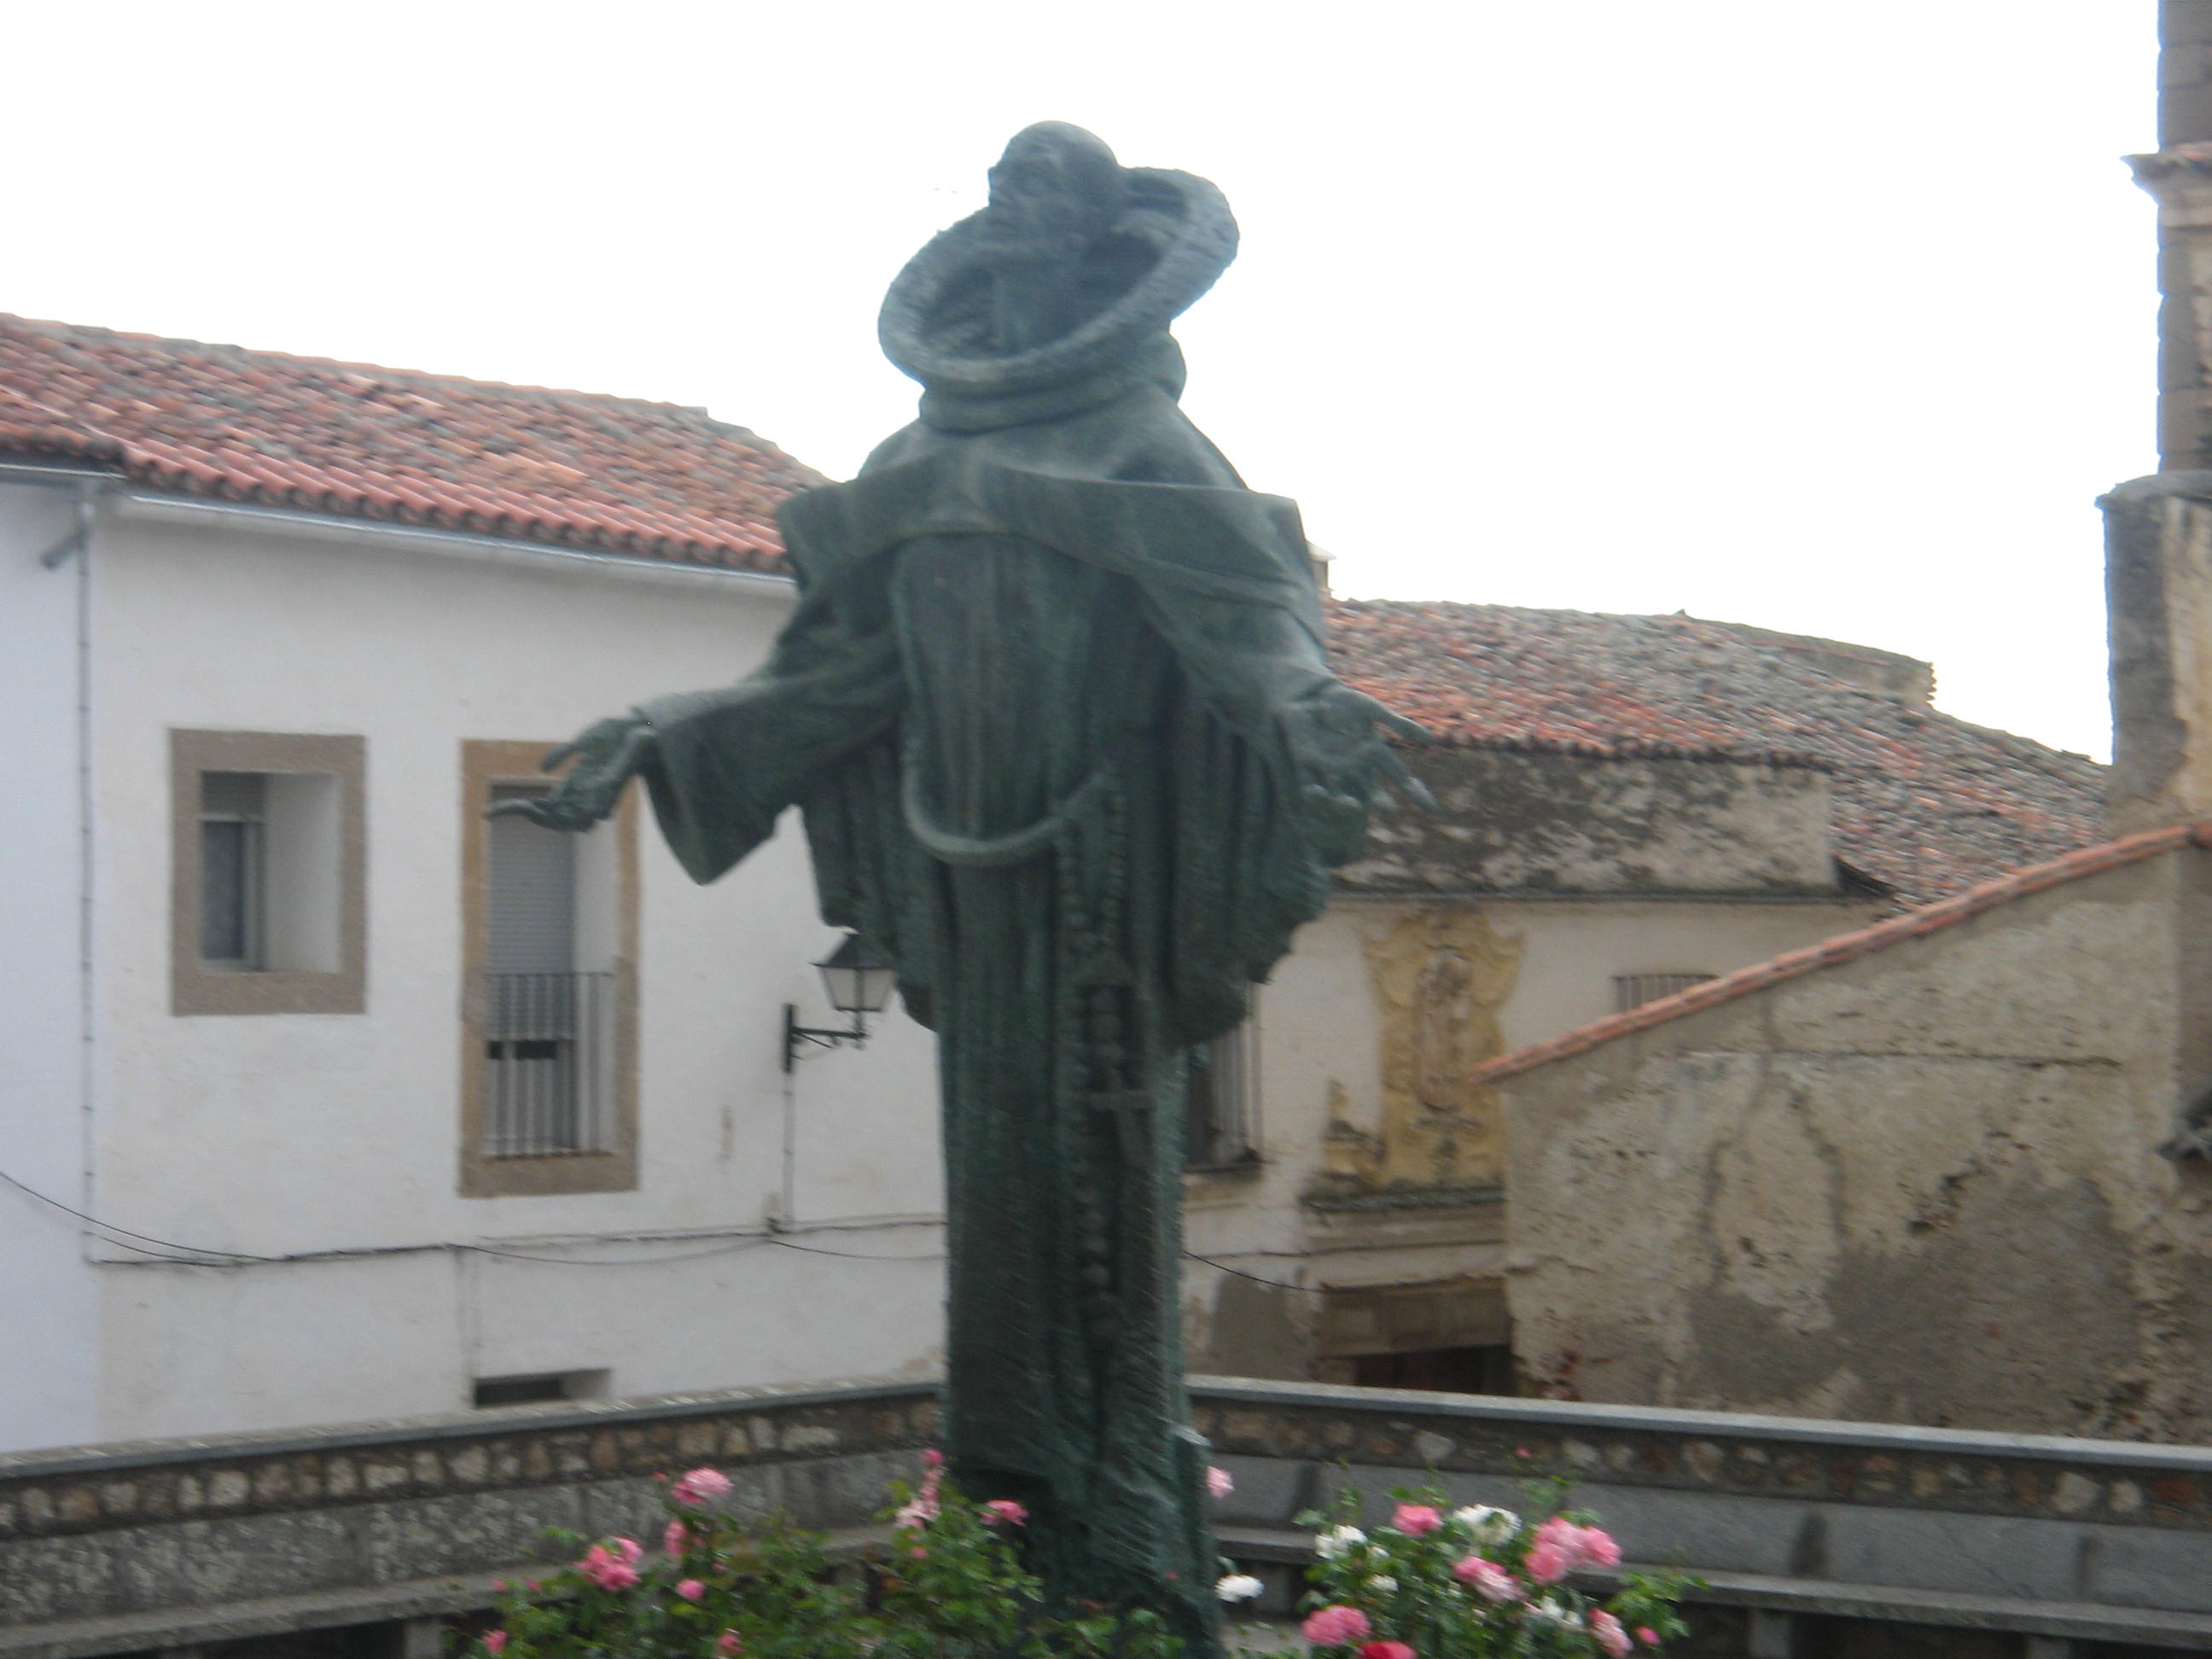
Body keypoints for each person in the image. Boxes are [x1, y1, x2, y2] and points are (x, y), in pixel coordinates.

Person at [506, 123, 1424, 1650]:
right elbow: (842, 672)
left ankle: (1126, 1547)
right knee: (1005, 1223)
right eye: (993, 201)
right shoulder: (913, 467)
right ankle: (1009, 1532)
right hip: (973, 893)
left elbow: (1252, 622)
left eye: (1037, 205)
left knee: (1102, 1213)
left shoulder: (1142, 446)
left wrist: (1309, 719)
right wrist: (659, 732)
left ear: (1096, 259)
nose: (1006, 228)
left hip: (1101, 887)